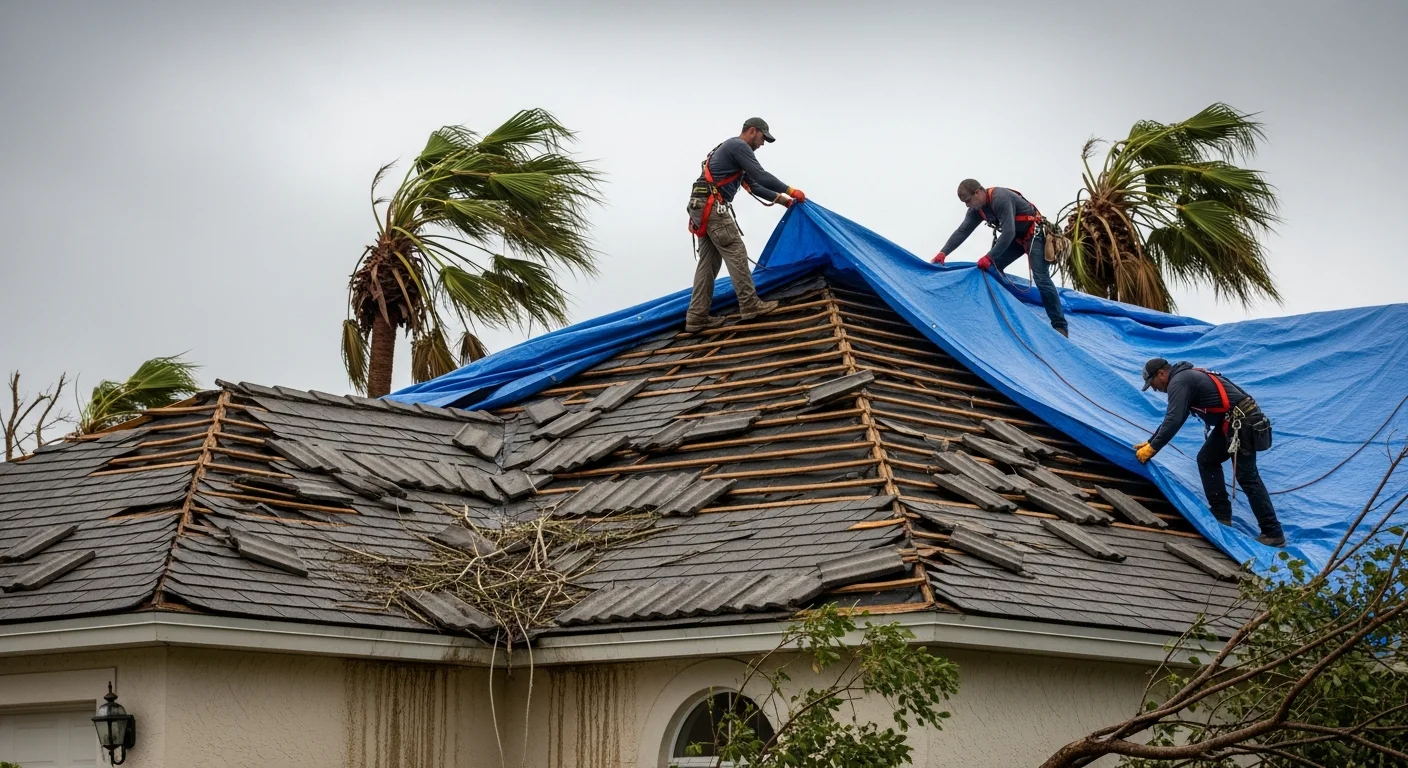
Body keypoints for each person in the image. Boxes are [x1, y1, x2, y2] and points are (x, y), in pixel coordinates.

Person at [1137, 357, 1284, 547]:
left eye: (1153, 384)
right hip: (1231, 423)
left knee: (1247, 477)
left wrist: (1153, 448)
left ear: (1161, 373)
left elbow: (1174, 419)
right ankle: (1221, 514)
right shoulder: (1185, 378)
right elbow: (1174, 418)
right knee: (1206, 460)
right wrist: (1150, 442)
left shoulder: (1179, 381)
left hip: (1243, 424)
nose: (1155, 388)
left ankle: (1273, 532)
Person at [684, 117, 805, 333]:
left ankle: (696, 317)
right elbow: (761, 175)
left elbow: (755, 185)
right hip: (712, 206)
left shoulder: (731, 151)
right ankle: (750, 305)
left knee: (709, 262)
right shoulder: (738, 146)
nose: (762, 144)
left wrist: (784, 201)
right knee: (735, 251)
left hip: (700, 206)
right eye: (762, 138)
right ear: (752, 131)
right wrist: (790, 189)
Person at [932, 179, 1069, 337]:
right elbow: (962, 231)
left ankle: (1060, 326)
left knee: (1041, 278)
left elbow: (1008, 232)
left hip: (1033, 235)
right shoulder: (977, 210)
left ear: (978, 192)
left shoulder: (999, 198)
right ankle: (1000, 311)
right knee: (991, 269)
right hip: (1016, 240)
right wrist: (943, 253)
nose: (967, 205)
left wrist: (989, 257)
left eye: (968, 200)